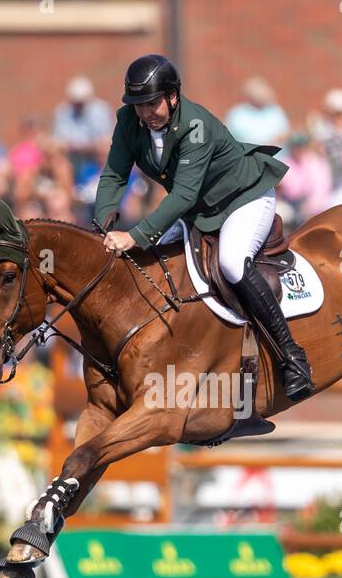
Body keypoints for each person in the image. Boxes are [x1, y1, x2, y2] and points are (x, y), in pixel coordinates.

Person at [94, 54, 312, 400]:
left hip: (244, 199)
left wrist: (134, 235)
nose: (145, 113)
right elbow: (114, 174)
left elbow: (182, 195)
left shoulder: (195, 125)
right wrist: (101, 221)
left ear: (173, 96)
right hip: (199, 211)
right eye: (139, 105)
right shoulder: (128, 120)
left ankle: (292, 357)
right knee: (160, 263)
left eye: (152, 103)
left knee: (231, 263)